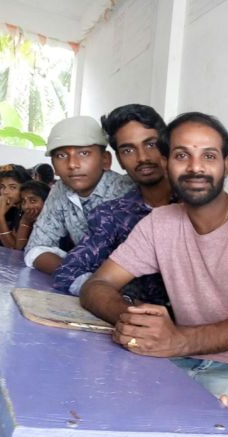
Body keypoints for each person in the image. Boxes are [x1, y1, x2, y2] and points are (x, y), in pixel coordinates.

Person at [80, 111, 228, 404]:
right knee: (105, 396)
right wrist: (135, 322)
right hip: (181, 355)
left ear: (226, 166)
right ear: (166, 164)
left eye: (209, 156)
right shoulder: (159, 223)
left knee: (188, 416)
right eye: (182, 156)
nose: (196, 167)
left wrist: (176, 340)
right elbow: (97, 285)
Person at [53, 104, 173, 304]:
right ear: (120, 160)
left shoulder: (194, 205)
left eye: (151, 144)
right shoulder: (113, 215)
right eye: (128, 150)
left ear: (168, 146)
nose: (143, 157)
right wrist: (124, 302)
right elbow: (68, 272)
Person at [24, 116, 134, 273]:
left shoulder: (127, 192)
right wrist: (79, 277)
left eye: (84, 153)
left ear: (105, 160)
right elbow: (36, 248)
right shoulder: (61, 189)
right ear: (53, 166)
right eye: (61, 156)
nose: (72, 164)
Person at [14, 180, 51, 250]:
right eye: (24, 201)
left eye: (33, 201)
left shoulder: (53, 224)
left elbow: (22, 249)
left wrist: (25, 223)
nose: (26, 206)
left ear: (47, 202)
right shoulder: (26, 218)